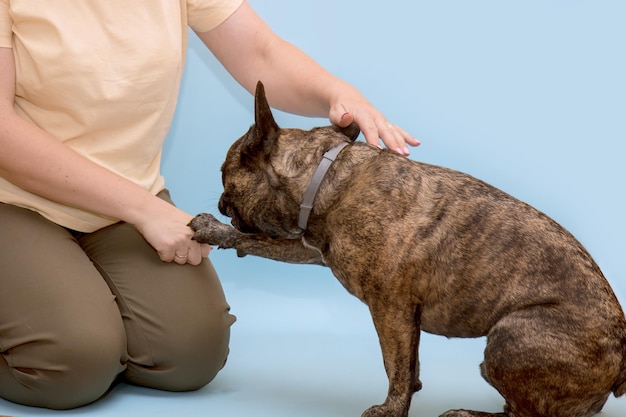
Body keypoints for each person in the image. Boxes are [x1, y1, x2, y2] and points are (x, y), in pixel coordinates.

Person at [0, 0, 419, 410]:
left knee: (191, 354)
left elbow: (262, 53)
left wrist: (340, 94)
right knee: (71, 365)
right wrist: (145, 211)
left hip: (124, 203)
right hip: (16, 201)